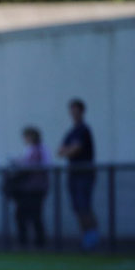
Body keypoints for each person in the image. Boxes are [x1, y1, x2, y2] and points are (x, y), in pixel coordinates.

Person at [58, 98, 98, 250]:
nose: (73, 112)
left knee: (84, 206)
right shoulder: (72, 131)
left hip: (84, 173)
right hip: (73, 173)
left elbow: (75, 149)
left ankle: (92, 239)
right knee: (77, 208)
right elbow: (60, 151)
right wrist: (69, 150)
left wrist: (69, 150)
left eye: (76, 109)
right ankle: (85, 237)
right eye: (71, 109)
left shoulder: (83, 129)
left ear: (82, 111)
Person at [10, 127, 50, 249]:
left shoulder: (41, 149)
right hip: (26, 189)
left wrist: (24, 164)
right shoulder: (29, 150)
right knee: (21, 215)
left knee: (35, 215)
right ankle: (23, 241)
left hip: (36, 189)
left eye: (27, 136)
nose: (25, 139)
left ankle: (39, 242)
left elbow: (44, 165)